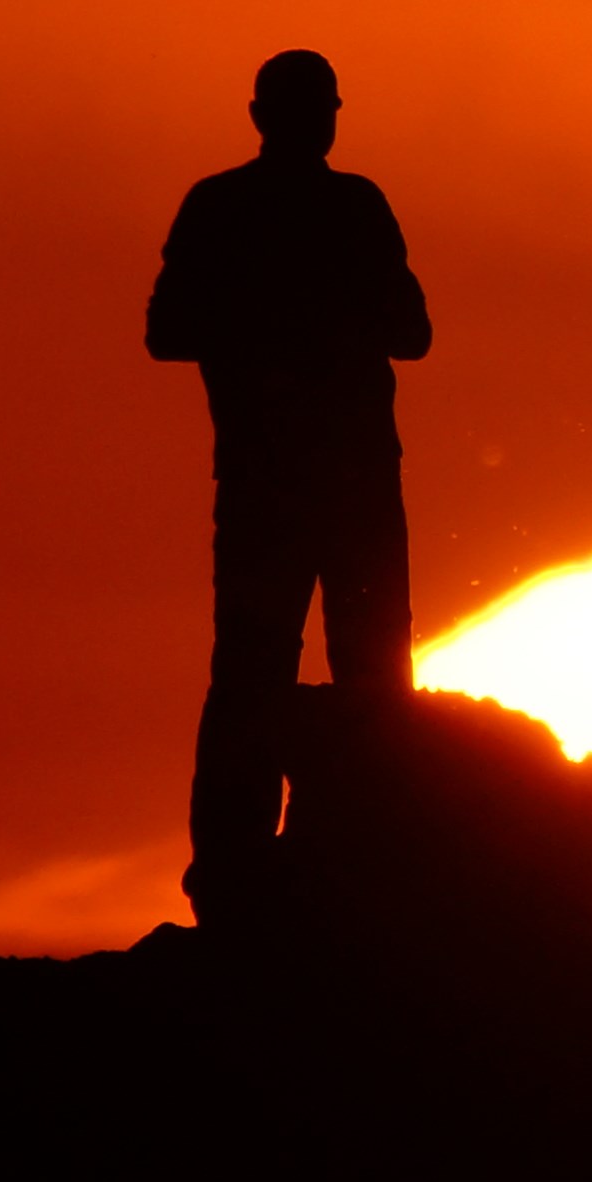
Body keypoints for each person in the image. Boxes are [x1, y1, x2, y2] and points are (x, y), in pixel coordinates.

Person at [145, 49, 435, 886]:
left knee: (283, 667)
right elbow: (170, 332)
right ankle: (324, 859)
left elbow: (412, 334)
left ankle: (331, 858)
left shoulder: (231, 207)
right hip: (324, 480)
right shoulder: (338, 208)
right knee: (318, 668)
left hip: (299, 479)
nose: (324, 124)